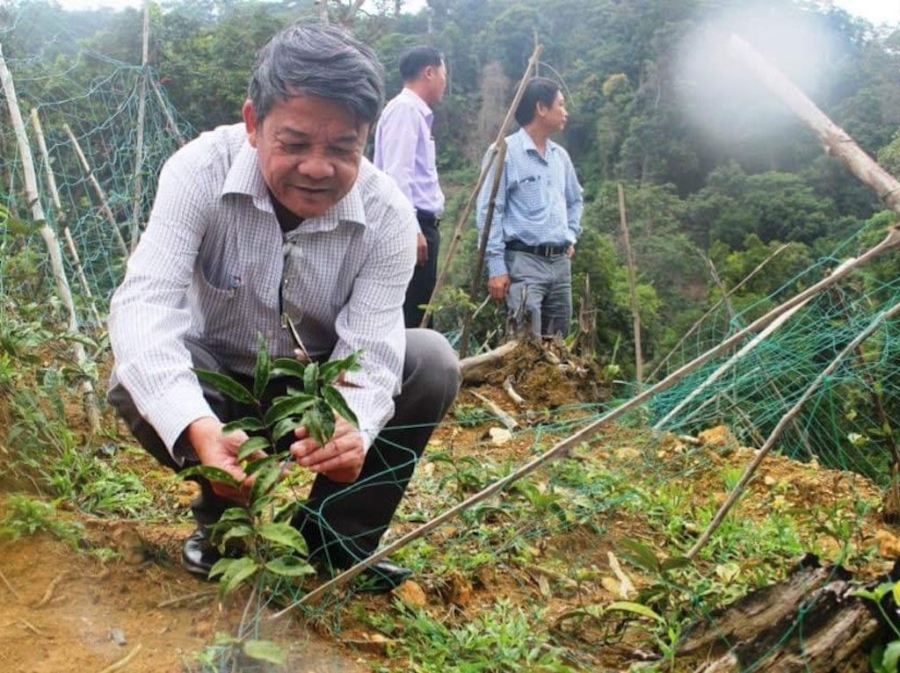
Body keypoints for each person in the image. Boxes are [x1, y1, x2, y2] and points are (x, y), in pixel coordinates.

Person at [107, 24, 460, 593]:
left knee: (431, 361)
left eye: (342, 148)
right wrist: (198, 428)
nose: (318, 168)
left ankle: (335, 542)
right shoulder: (199, 171)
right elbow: (143, 306)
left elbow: (373, 346)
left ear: (366, 136)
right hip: (219, 381)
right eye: (294, 144)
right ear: (253, 123)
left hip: (316, 389)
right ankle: (227, 522)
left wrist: (353, 425)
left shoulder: (387, 214)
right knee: (135, 375)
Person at [476, 77, 584, 337]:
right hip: (524, 263)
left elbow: (575, 199)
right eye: (560, 104)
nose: (565, 112)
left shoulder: (560, 156)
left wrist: (570, 234)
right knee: (524, 346)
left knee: (557, 345)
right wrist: (496, 267)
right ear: (541, 108)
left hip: (560, 264)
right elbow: (489, 211)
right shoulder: (504, 152)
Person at [373, 45, 446, 328]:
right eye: (443, 73)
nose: (444, 81)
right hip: (413, 227)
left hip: (423, 227)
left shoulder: (415, 113)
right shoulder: (404, 110)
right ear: (429, 72)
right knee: (413, 318)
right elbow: (397, 174)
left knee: (422, 311)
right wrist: (411, 229)